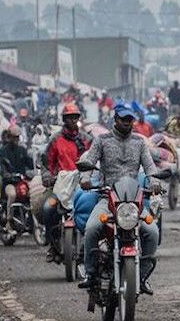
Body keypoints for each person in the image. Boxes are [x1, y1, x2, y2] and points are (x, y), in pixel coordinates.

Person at [76, 104, 161, 294]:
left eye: (130, 120)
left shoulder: (139, 142)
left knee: (152, 232)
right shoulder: (102, 140)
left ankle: (142, 275)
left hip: (133, 202)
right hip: (108, 200)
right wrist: (85, 179)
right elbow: (89, 162)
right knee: (91, 229)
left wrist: (155, 182)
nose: (127, 123)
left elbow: (150, 167)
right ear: (116, 119)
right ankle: (90, 274)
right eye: (124, 119)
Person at [41, 103, 90, 262]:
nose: (73, 120)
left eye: (75, 117)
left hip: (82, 186)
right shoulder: (55, 140)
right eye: (69, 118)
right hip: (60, 186)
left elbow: (96, 159)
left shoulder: (86, 139)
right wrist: (47, 177)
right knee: (48, 209)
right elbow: (46, 163)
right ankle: (53, 245)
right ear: (64, 120)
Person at [0, 127, 35, 224]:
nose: (16, 140)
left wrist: (36, 162)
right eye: (14, 137)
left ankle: (32, 220)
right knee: (12, 195)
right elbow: (2, 167)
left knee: (33, 194)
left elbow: (29, 164)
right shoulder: (2, 151)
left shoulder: (22, 150)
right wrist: (7, 175)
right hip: (9, 183)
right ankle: (9, 220)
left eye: (17, 137)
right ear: (9, 137)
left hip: (21, 181)